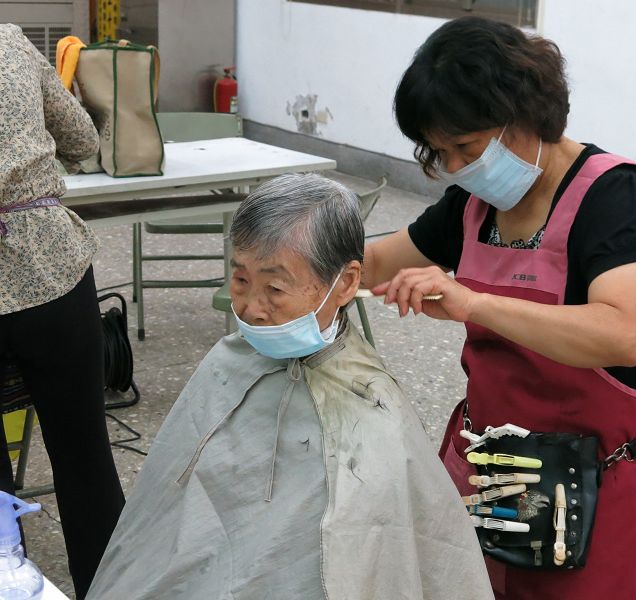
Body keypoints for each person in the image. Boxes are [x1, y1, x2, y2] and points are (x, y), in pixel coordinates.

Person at [362, 17, 636, 600]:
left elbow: (623, 334)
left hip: (588, 485)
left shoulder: (616, 199)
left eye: (466, 148)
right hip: (490, 469)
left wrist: (475, 302)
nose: (456, 168)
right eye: (440, 153)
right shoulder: (473, 204)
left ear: (524, 115)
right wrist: (286, 270)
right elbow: (374, 263)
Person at [86, 174, 493, 600]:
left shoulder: (373, 409)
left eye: (275, 288)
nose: (251, 308)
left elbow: (376, 558)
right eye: (240, 280)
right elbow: (163, 521)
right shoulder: (229, 359)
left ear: (346, 283)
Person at [0, 24, 125, 599]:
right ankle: (110, 589)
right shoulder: (8, 41)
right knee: (83, 455)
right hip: (49, 264)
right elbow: (81, 138)